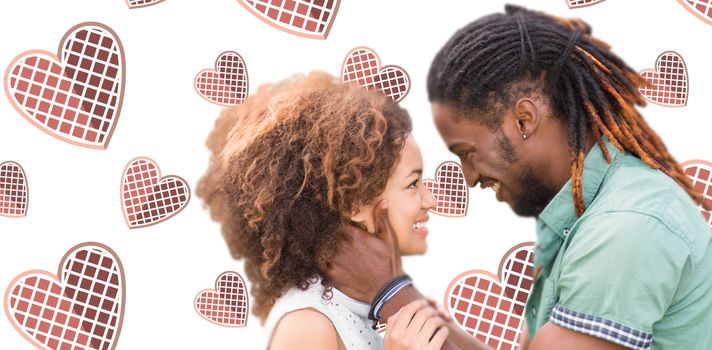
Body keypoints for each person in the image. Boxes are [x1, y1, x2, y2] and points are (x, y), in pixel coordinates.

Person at [327, 5, 712, 350]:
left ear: (524, 120)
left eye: (467, 153)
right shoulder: (587, 216)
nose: (469, 178)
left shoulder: (626, 228)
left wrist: (389, 294)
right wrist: (395, 290)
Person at [196, 71, 448, 350]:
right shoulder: (307, 326)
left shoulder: (358, 311)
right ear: (353, 202)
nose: (431, 201)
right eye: (413, 184)